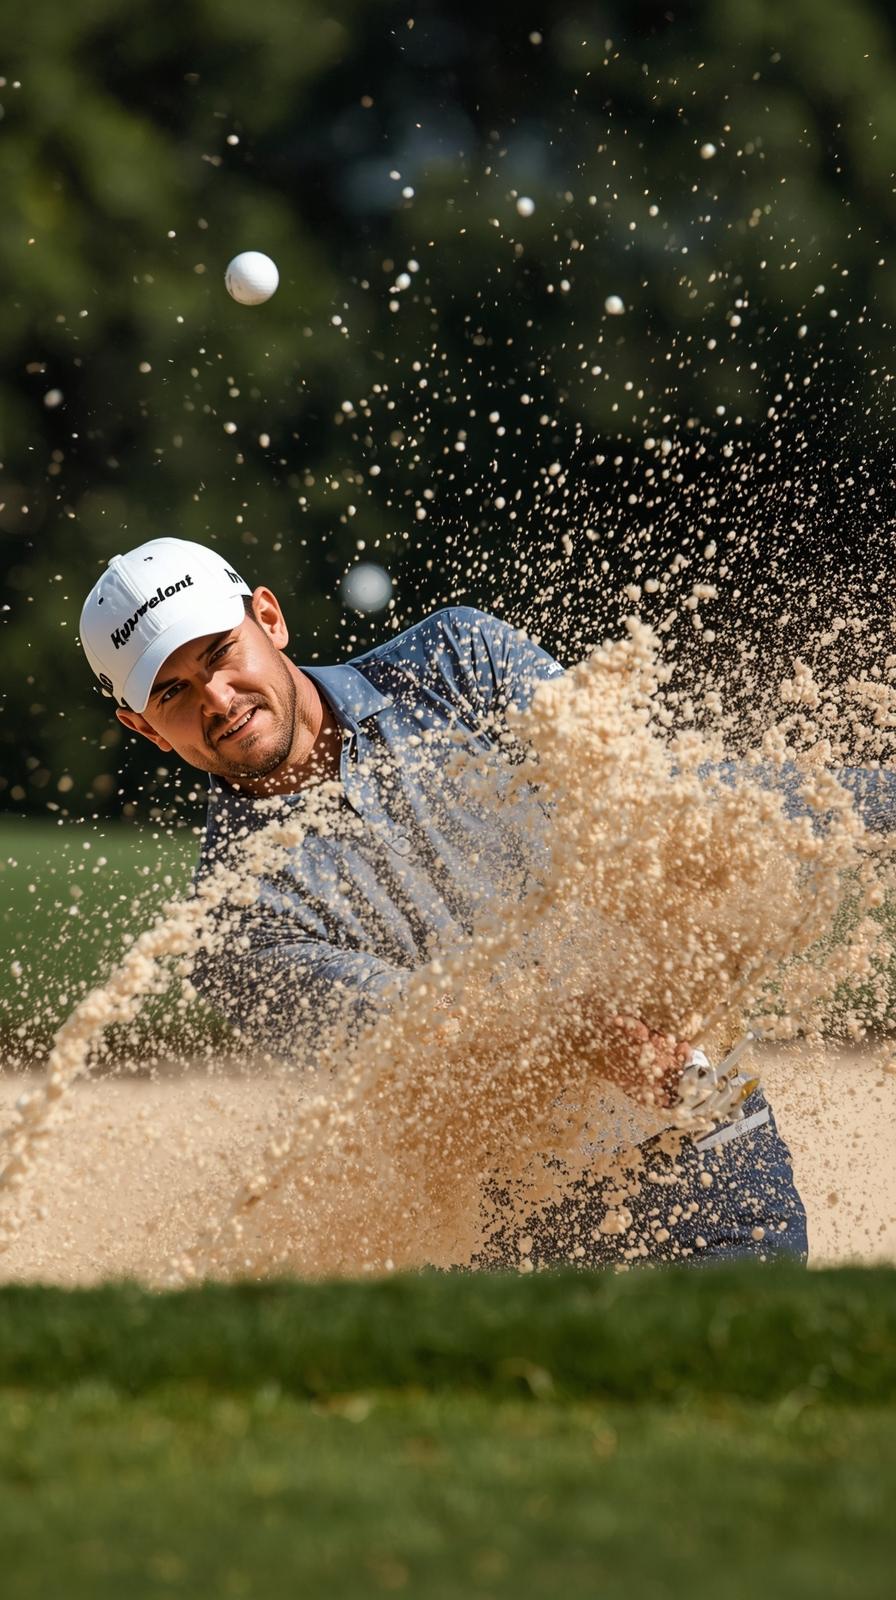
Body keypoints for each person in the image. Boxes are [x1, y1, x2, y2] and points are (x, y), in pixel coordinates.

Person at [79, 536, 809, 1267]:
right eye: (172, 691)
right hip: (526, 1235)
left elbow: (649, 809)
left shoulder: (457, 660)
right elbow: (429, 1030)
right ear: (144, 726)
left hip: (713, 1156)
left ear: (268, 619)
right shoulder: (232, 930)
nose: (217, 698)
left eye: (218, 653)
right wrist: (582, 1022)